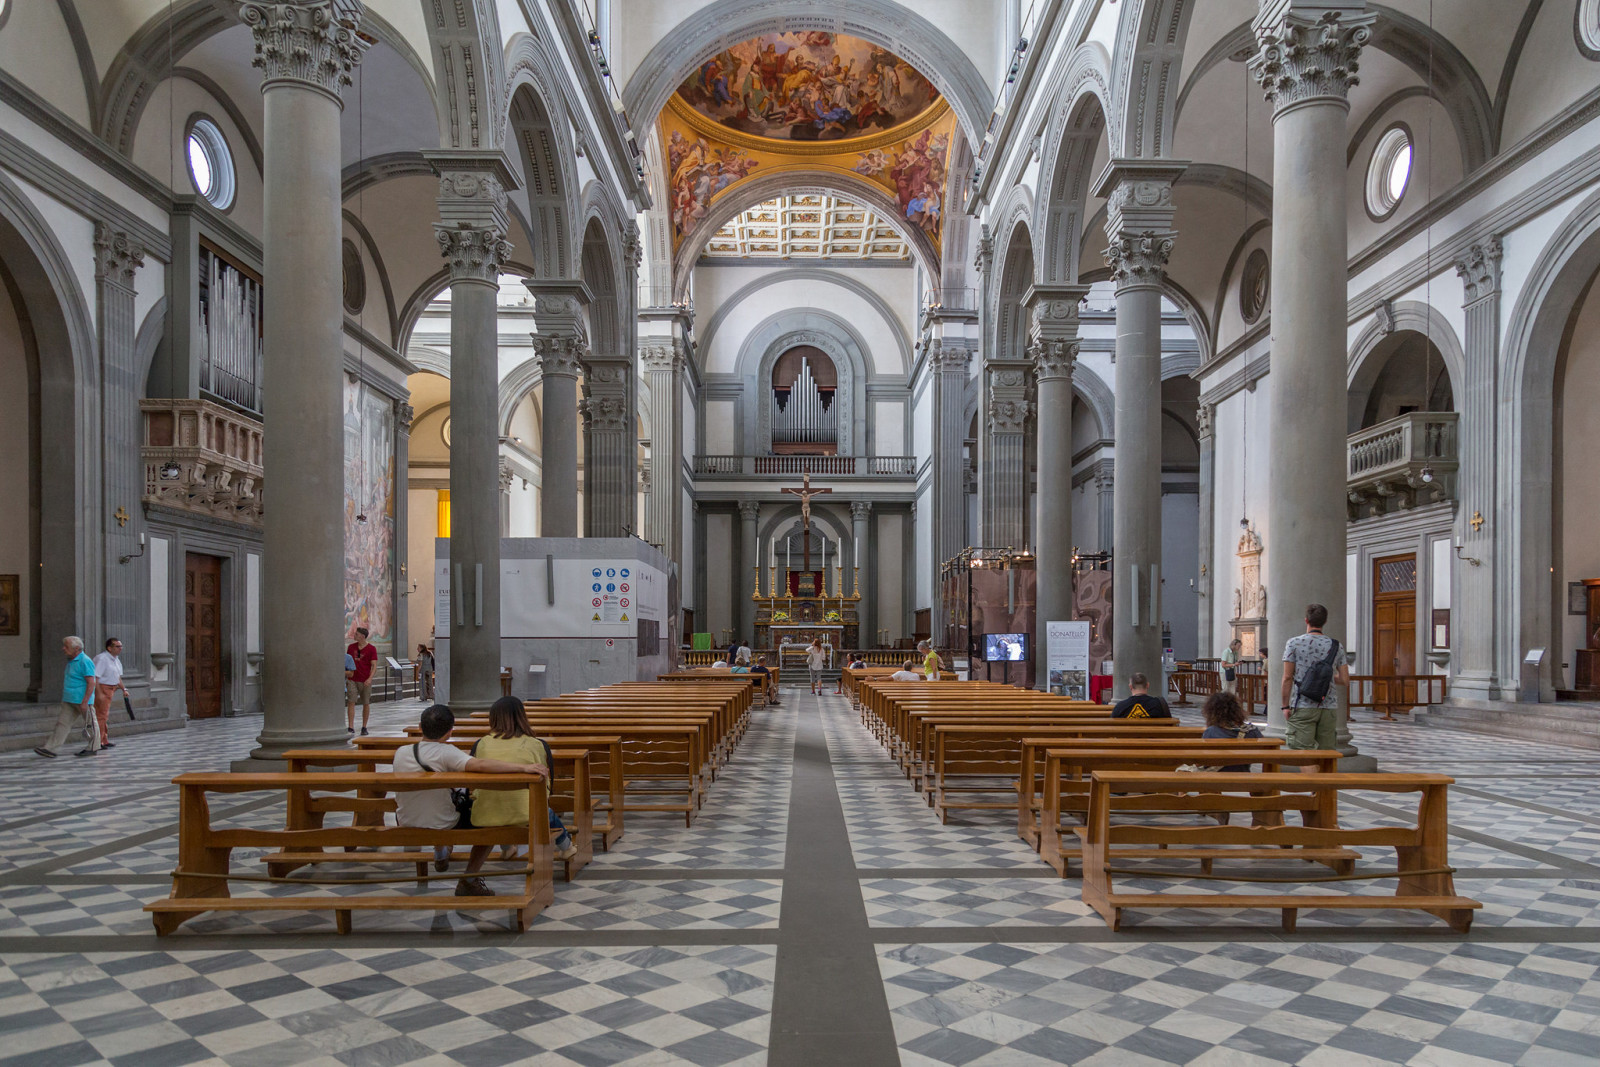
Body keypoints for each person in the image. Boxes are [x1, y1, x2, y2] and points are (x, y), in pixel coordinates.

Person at [392, 703, 555, 898]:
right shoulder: (446, 752)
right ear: (450, 731)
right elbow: (480, 764)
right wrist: (523, 768)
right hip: (444, 823)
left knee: (435, 802)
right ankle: (469, 879)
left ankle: (442, 851)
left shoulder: (401, 752)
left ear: (420, 727)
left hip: (405, 821)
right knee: (489, 817)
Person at [470, 696, 579, 864]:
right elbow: (546, 785)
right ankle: (567, 847)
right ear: (522, 716)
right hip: (527, 815)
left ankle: (507, 848)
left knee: (500, 801)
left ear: (493, 718)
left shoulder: (481, 744)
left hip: (486, 812)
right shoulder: (536, 744)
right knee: (542, 809)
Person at [1281, 603, 1349, 751]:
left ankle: (1311, 775)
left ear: (1306, 620)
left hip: (1302, 704)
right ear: (1325, 622)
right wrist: (1326, 679)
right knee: (1326, 754)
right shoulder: (1336, 645)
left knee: (1303, 753)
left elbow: (1287, 677)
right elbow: (1344, 680)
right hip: (1328, 706)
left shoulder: (1294, 643)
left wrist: (1285, 706)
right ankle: (1323, 775)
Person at [35, 636, 99, 758]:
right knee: (62, 724)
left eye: (66, 646)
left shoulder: (85, 661)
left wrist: (85, 701)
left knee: (90, 724)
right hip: (69, 699)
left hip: (82, 700)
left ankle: (93, 747)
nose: (63, 648)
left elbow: (91, 682)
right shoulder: (71, 660)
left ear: (77, 649)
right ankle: (51, 749)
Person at [1200, 690, 1264, 772]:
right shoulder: (1252, 731)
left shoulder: (1211, 732)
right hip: (1243, 774)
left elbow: (1204, 759)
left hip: (1217, 776)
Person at [91, 637, 128, 751]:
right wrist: (99, 693)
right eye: (117, 646)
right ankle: (99, 741)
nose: (120, 649)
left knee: (104, 715)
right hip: (103, 688)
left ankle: (104, 739)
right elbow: (95, 677)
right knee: (101, 716)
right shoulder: (102, 659)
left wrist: (124, 689)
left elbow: (117, 677)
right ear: (109, 648)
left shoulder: (115, 659)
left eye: (121, 646)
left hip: (112, 688)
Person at [346, 627, 377, 734]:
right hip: (352, 678)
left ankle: (364, 726)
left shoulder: (371, 649)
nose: (354, 635)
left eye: (356, 634)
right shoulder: (351, 647)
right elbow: (348, 661)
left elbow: (374, 665)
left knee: (366, 703)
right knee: (351, 701)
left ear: (362, 637)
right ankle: (350, 726)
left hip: (365, 680)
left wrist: (370, 678)